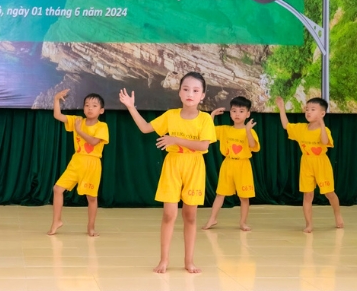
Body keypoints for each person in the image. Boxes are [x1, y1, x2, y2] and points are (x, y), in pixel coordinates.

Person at [120, 72, 216, 273]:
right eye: (186, 89)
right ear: (180, 93)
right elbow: (146, 128)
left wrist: (175, 140)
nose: (190, 93)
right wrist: (130, 107)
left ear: (203, 96)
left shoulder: (206, 119)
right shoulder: (170, 115)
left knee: (190, 216)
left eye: (196, 90)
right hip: (172, 167)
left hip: (194, 168)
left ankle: (189, 261)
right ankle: (164, 260)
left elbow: (203, 145)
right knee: (169, 214)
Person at [276, 96, 343, 232]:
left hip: (321, 163)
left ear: (322, 113)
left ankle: (337, 214)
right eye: (307, 109)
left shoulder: (325, 130)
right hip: (306, 163)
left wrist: (322, 125)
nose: (308, 112)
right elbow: (286, 126)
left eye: (313, 109)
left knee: (329, 193)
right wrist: (281, 108)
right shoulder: (301, 128)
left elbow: (324, 142)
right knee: (307, 195)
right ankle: (309, 224)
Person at [48, 89, 109, 237]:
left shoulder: (102, 126)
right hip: (76, 161)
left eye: (94, 106)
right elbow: (58, 115)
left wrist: (79, 131)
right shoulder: (78, 120)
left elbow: (94, 142)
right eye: (87, 105)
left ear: (101, 110)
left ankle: (91, 226)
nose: (89, 108)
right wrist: (56, 99)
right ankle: (57, 221)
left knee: (91, 197)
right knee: (57, 189)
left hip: (92, 164)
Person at [203, 96, 260, 231]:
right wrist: (211, 115)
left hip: (243, 165)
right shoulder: (225, 130)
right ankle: (212, 218)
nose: (237, 114)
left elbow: (253, 146)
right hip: (228, 164)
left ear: (248, 114)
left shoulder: (250, 131)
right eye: (234, 111)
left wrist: (247, 131)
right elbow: (208, 131)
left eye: (241, 111)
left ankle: (242, 222)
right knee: (220, 194)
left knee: (244, 197)